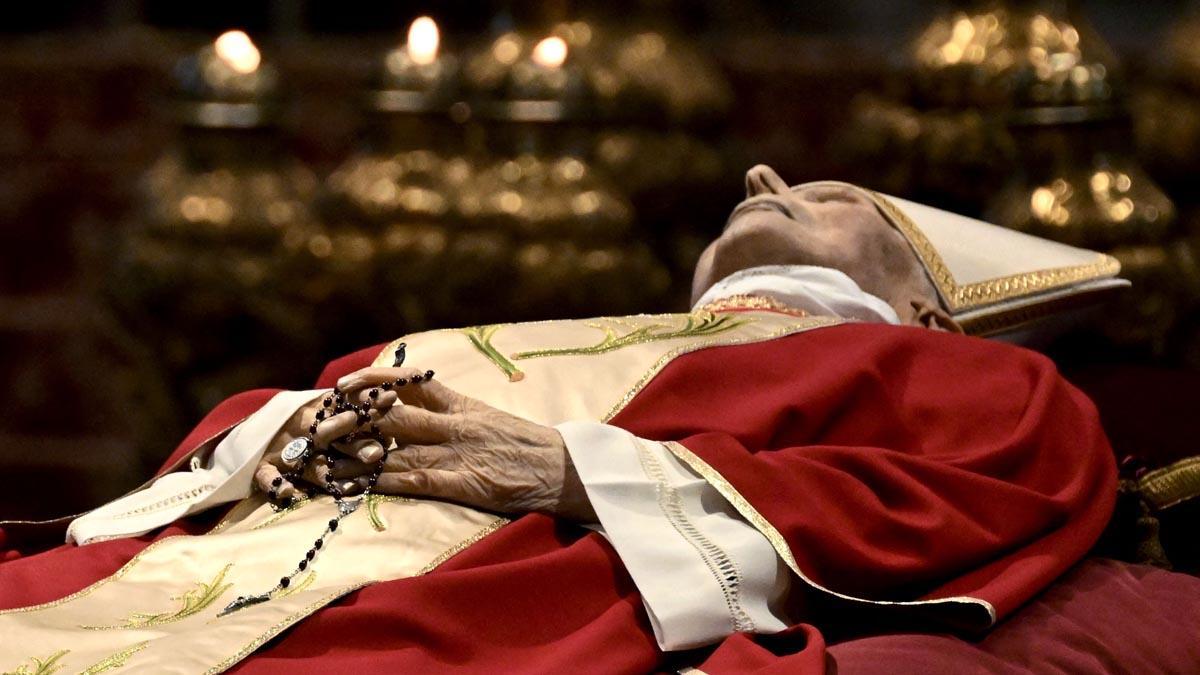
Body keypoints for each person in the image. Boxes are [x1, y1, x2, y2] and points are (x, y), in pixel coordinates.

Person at [0, 165, 1122, 674]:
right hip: (216, 573)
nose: (765, 173)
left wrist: (573, 472)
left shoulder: (974, 384)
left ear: (927, 312)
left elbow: (942, 508)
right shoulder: (566, 328)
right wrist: (284, 431)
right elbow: (275, 411)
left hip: (480, 611)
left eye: (833, 198)